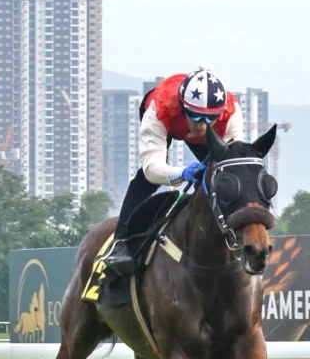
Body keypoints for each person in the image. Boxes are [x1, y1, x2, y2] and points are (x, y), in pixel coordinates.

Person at [102, 67, 244, 276]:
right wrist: (181, 173)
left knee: (222, 174)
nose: (202, 128)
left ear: (220, 114)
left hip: (189, 120)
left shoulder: (231, 114)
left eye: (209, 119)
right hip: (167, 120)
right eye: (195, 118)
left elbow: (233, 167)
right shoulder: (159, 110)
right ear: (182, 108)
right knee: (146, 180)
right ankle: (121, 243)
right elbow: (152, 168)